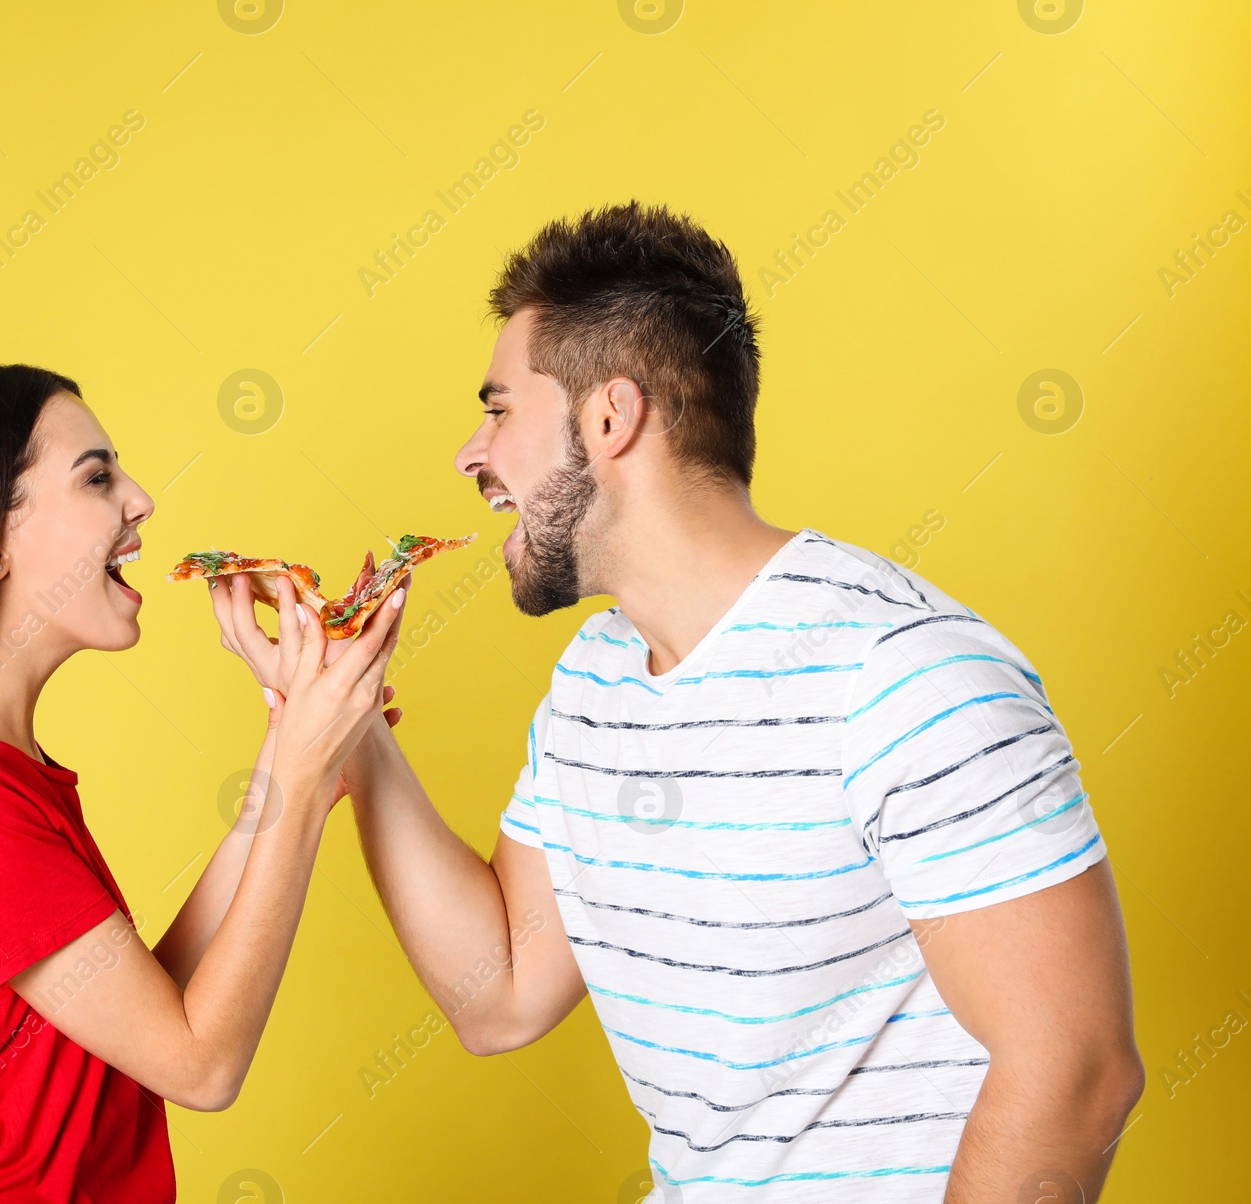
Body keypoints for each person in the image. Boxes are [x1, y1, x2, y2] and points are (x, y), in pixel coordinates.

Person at [213, 204, 1145, 1202]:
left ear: (610, 417)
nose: (469, 454)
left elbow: (1077, 1073)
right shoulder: (596, 680)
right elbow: (501, 995)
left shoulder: (904, 675)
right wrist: (340, 716)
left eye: (498, 409)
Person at [0, 365, 405, 1202]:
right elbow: (202, 1064)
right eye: (97, 476)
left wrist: (290, 754)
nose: (142, 498)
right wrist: (299, 779)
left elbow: (150, 1016)